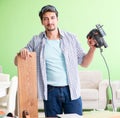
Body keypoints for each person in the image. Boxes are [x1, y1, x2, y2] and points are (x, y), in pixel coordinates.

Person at [14, 5, 96, 117]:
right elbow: (16, 62)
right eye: (46, 19)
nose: (49, 21)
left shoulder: (71, 38)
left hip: (71, 90)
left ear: (57, 19)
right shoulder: (36, 40)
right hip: (50, 91)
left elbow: (84, 63)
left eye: (52, 18)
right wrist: (22, 52)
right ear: (42, 22)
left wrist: (92, 48)